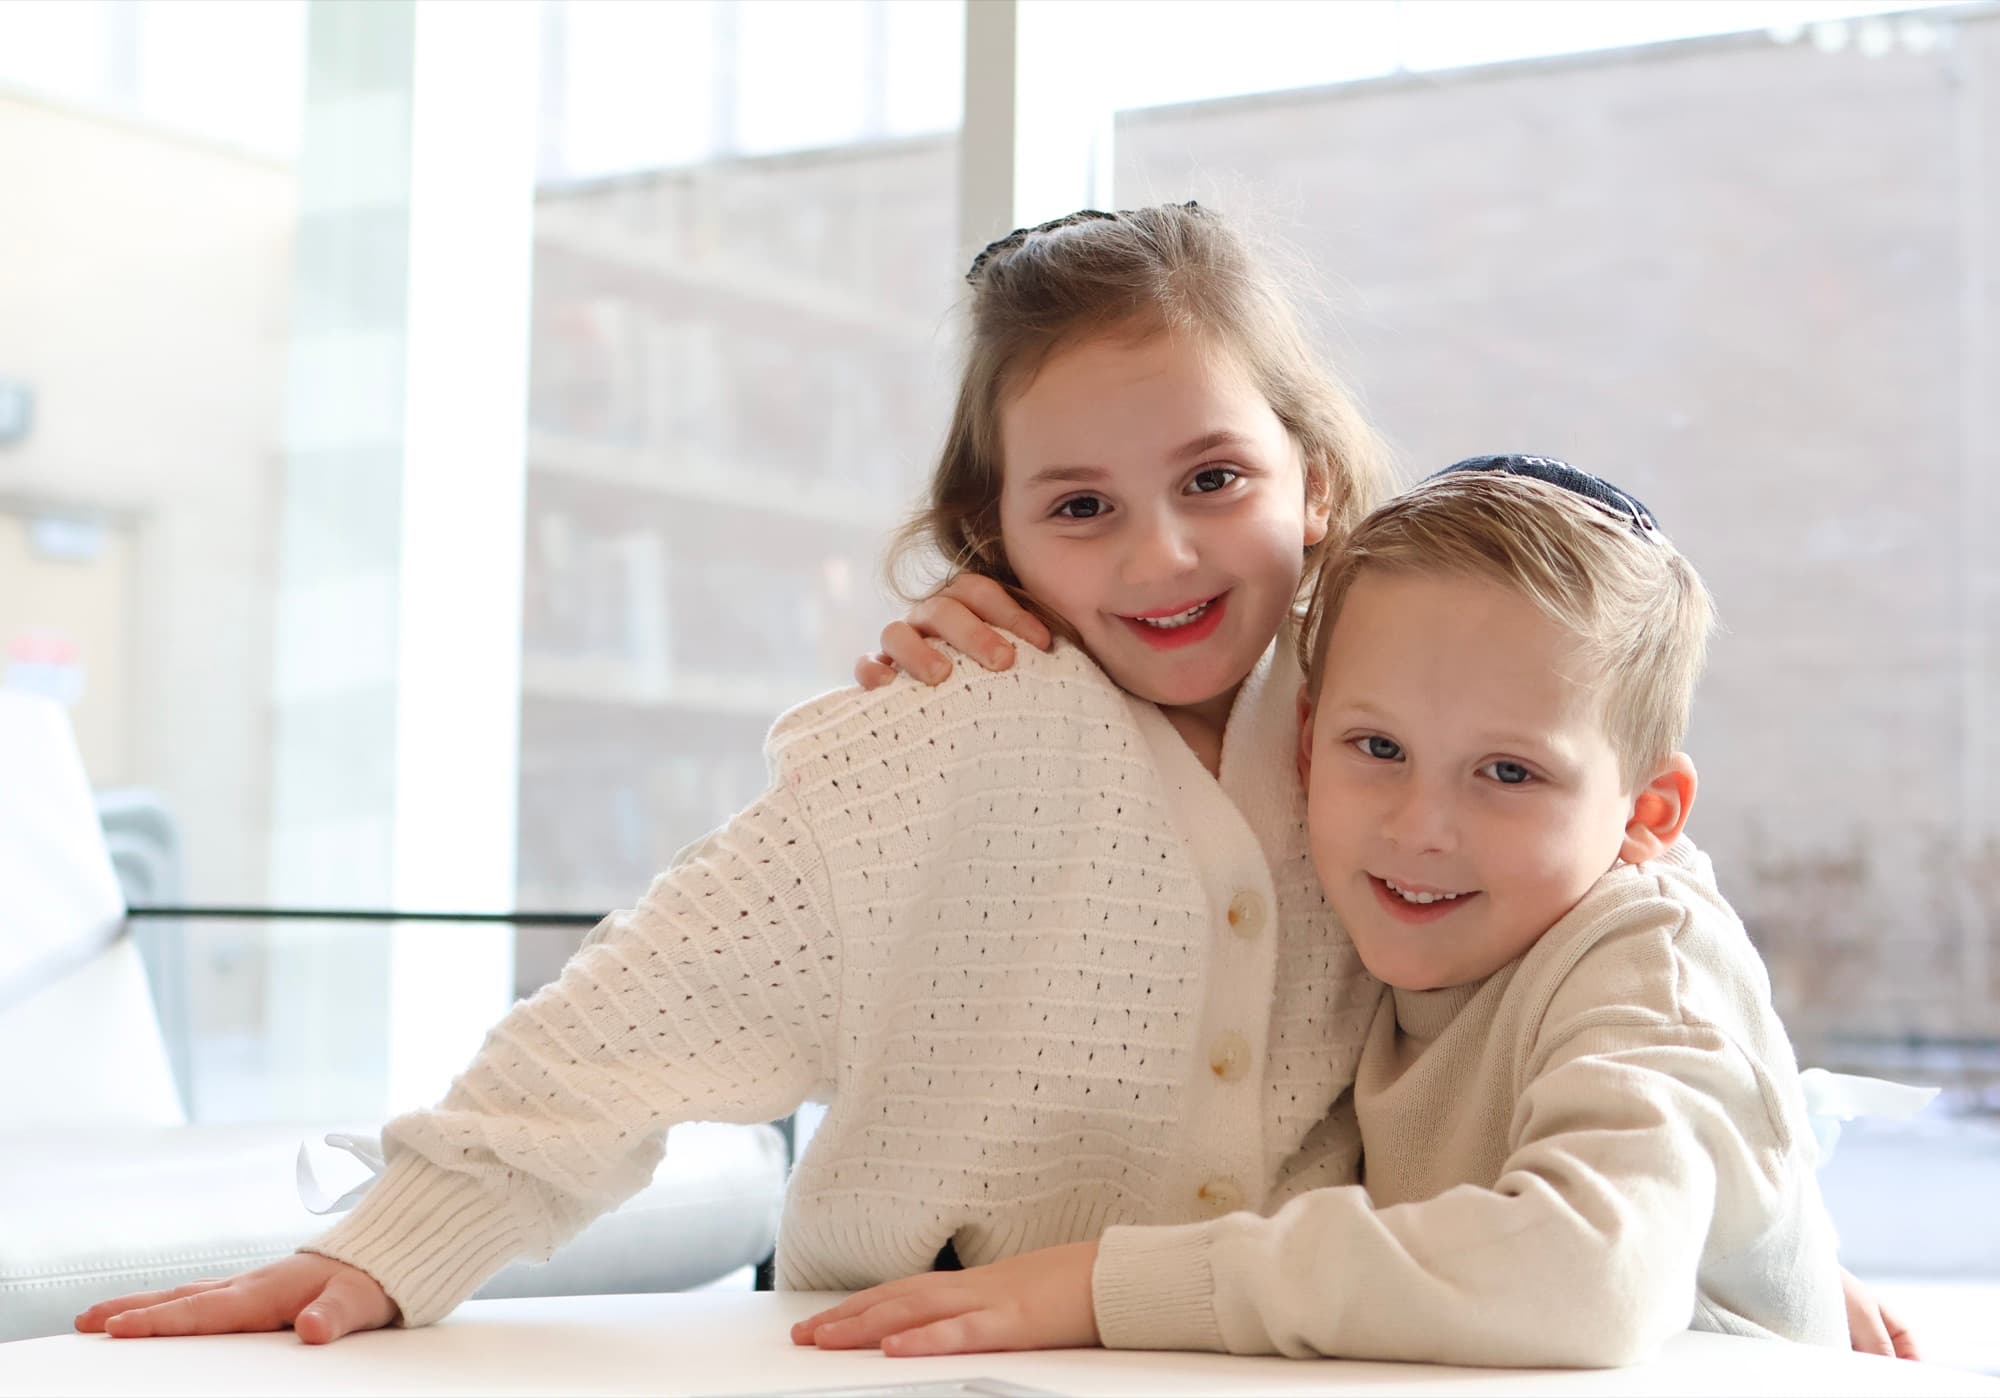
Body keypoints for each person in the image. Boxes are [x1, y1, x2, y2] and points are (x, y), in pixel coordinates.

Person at [74, 202, 1398, 1345]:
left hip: (1298, 1344)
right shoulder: (937, 736)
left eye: (1214, 478)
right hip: (925, 1350)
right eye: (1080, 506)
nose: (1159, 556)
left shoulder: (1408, 737)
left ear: (1316, 478)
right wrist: (385, 1247)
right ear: (993, 533)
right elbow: (640, 1012)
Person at [795, 456, 1854, 1365]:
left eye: (1507, 772)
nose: (1420, 825)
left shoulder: (1638, 955)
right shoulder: (1384, 913)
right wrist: (1006, 658)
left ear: (1647, 812)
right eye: (1377, 748)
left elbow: (1588, 1273)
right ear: (1306, 746)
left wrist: (1104, 1290)